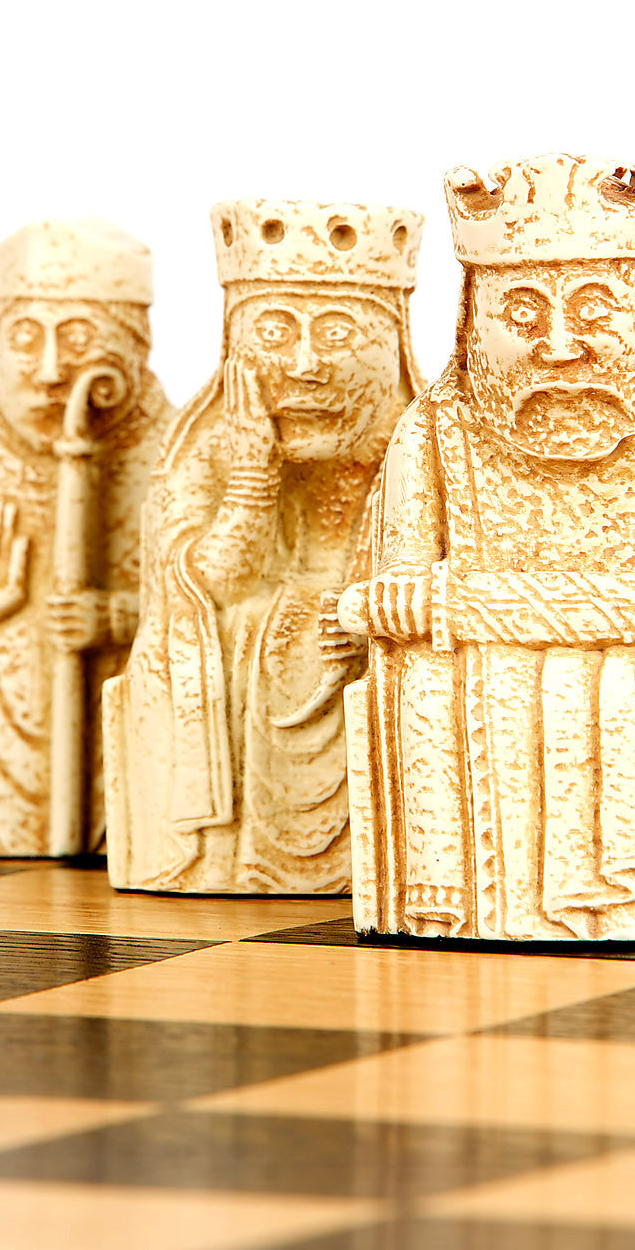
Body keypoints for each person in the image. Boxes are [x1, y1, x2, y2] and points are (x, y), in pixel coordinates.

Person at [339, 154, 635, 941]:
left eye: (593, 311)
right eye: (520, 314)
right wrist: (397, 596)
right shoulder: (436, 432)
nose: (558, 346)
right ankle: (445, 891)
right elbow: (383, 593)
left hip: (582, 648)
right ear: (474, 323)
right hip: (489, 663)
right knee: (420, 667)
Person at [105, 200, 424, 893]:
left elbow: (438, 590)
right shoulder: (207, 445)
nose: (305, 364)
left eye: (338, 332)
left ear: (391, 337)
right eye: (275, 332)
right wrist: (252, 478)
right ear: (235, 342)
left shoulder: (421, 448)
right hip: (246, 704)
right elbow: (196, 592)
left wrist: (371, 625)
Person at [0, 218, 172, 857]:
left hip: (117, 741)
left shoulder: (172, 453)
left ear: (136, 345)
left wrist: (114, 615)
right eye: (25, 338)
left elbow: (205, 599)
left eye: (79, 338)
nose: (52, 370)